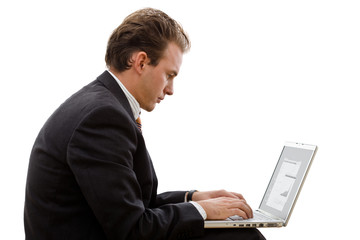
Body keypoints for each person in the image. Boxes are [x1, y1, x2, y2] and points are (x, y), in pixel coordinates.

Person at [24, 8, 265, 240]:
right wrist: (203, 211)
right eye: (169, 75)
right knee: (242, 236)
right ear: (141, 62)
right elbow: (133, 229)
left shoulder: (100, 105)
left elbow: (133, 206)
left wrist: (194, 199)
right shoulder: (101, 118)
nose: (170, 90)